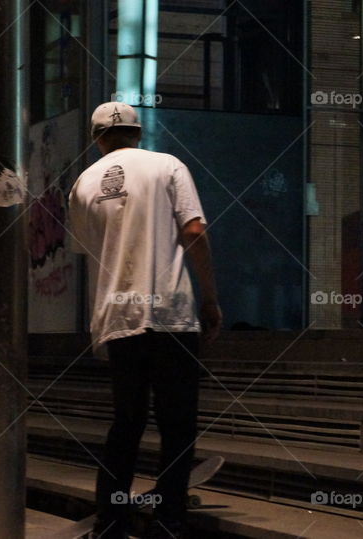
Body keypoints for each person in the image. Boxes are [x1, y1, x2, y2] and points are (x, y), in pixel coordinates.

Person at [69, 102, 221, 539]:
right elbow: (194, 232)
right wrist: (209, 300)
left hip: (119, 317)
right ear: (139, 131)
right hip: (171, 314)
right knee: (177, 425)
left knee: (126, 423)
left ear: (97, 138)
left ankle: (110, 522)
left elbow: (86, 246)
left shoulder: (83, 184)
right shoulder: (168, 165)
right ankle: (168, 523)